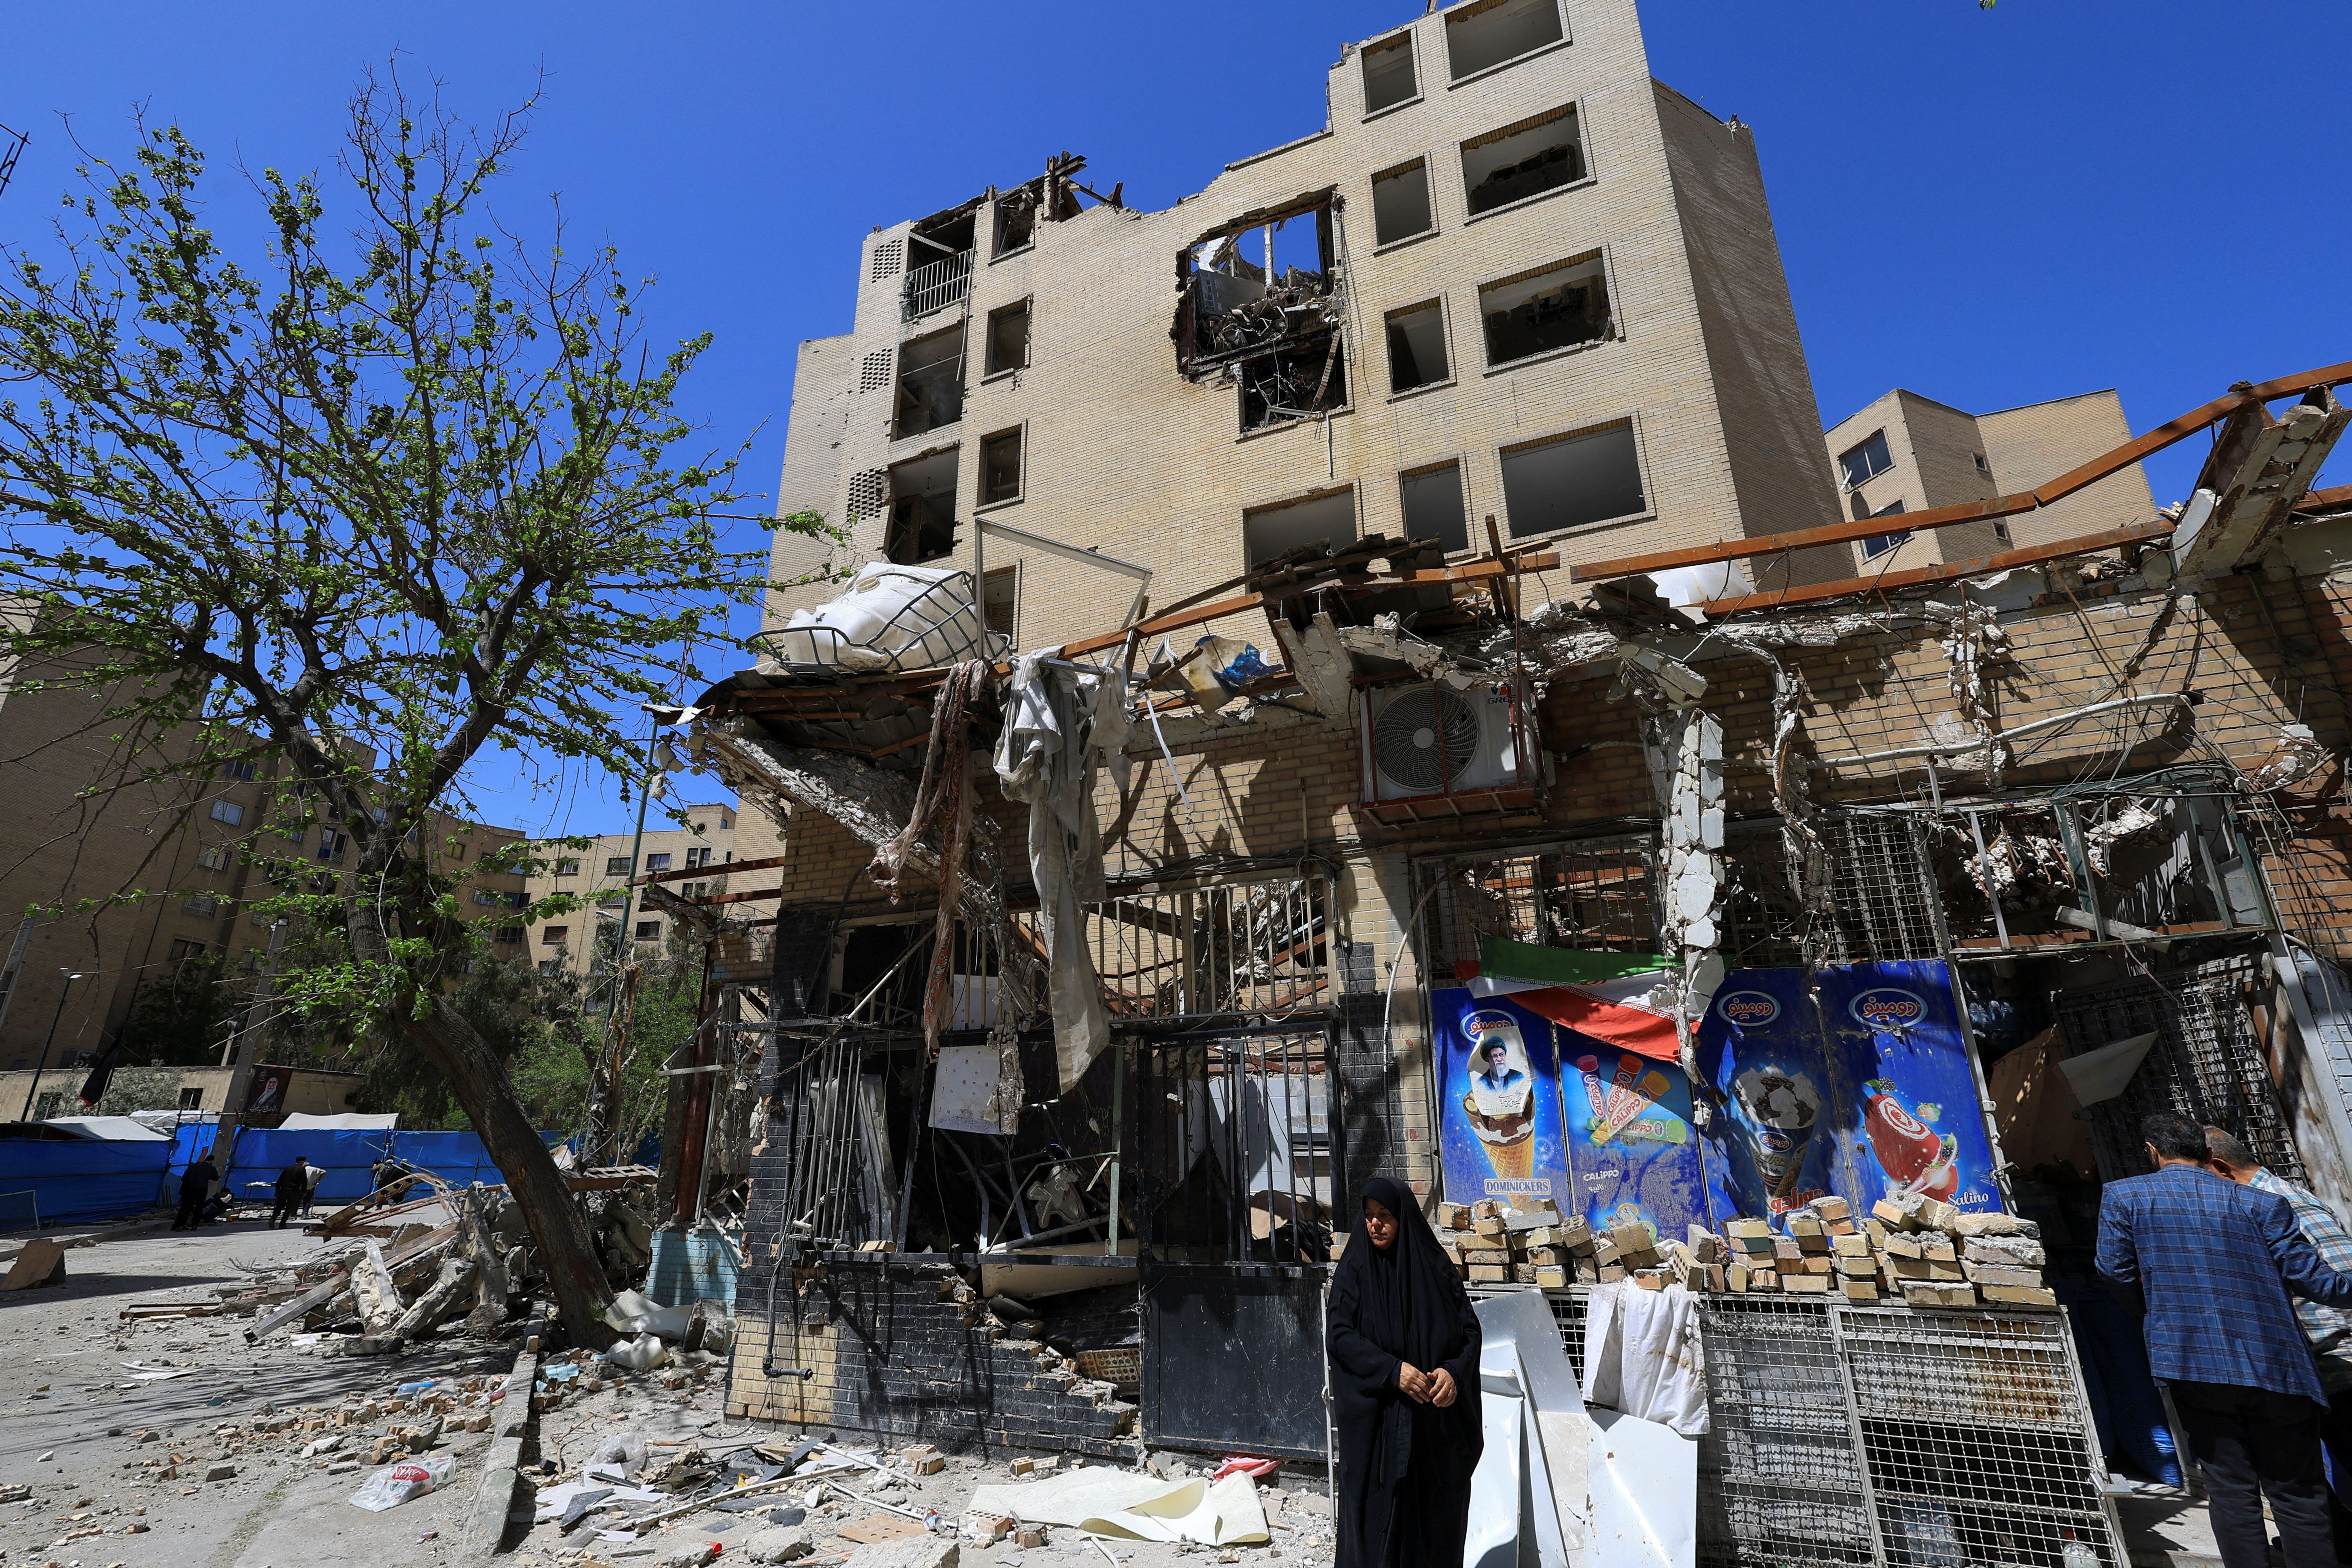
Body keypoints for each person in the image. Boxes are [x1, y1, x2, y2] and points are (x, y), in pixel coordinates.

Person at [2097, 1111, 2352, 1568]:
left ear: (2153, 1152)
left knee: (2230, 1490)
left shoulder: (2124, 1196)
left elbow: (2113, 1272)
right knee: (2297, 1492)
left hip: (2191, 1364)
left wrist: (2160, 1315)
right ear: (2206, 1153)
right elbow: (2319, 1283)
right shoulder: (2260, 1203)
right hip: (2278, 1366)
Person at [2205, 1126, 2352, 1560]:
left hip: (2338, 1363)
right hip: (2310, 1370)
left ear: (2220, 1168)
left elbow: (2342, 1280)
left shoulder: (2286, 1204)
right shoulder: (2262, 1205)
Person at [1325, 1175, 1483, 1568]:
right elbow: (1340, 1335)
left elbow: (1469, 1332)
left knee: (1433, 1526)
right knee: (1377, 1527)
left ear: (1404, 1218)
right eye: (1368, 1216)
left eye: (1384, 1216)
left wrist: (1452, 1373)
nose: (1375, 1224)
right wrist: (1391, 1371)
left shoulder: (1434, 1268)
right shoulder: (1357, 1268)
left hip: (1433, 1432)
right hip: (1379, 1431)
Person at [173, 1150, 217, 1232]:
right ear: (211, 1161)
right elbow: (216, 1178)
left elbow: (185, 1178)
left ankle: (179, 1225)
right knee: (199, 1208)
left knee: (186, 1208)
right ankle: (194, 1225)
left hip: (190, 1190)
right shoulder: (211, 1168)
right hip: (202, 1190)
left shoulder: (193, 1167)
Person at [270, 1156, 310, 1229]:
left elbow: (280, 1181)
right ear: (301, 1162)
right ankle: (282, 1224)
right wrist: (304, 1191)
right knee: (289, 1208)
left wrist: (277, 1191)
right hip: (294, 1191)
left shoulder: (288, 1169)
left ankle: (272, 1219)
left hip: (284, 1190)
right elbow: (304, 1181)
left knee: (279, 1206)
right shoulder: (301, 1169)